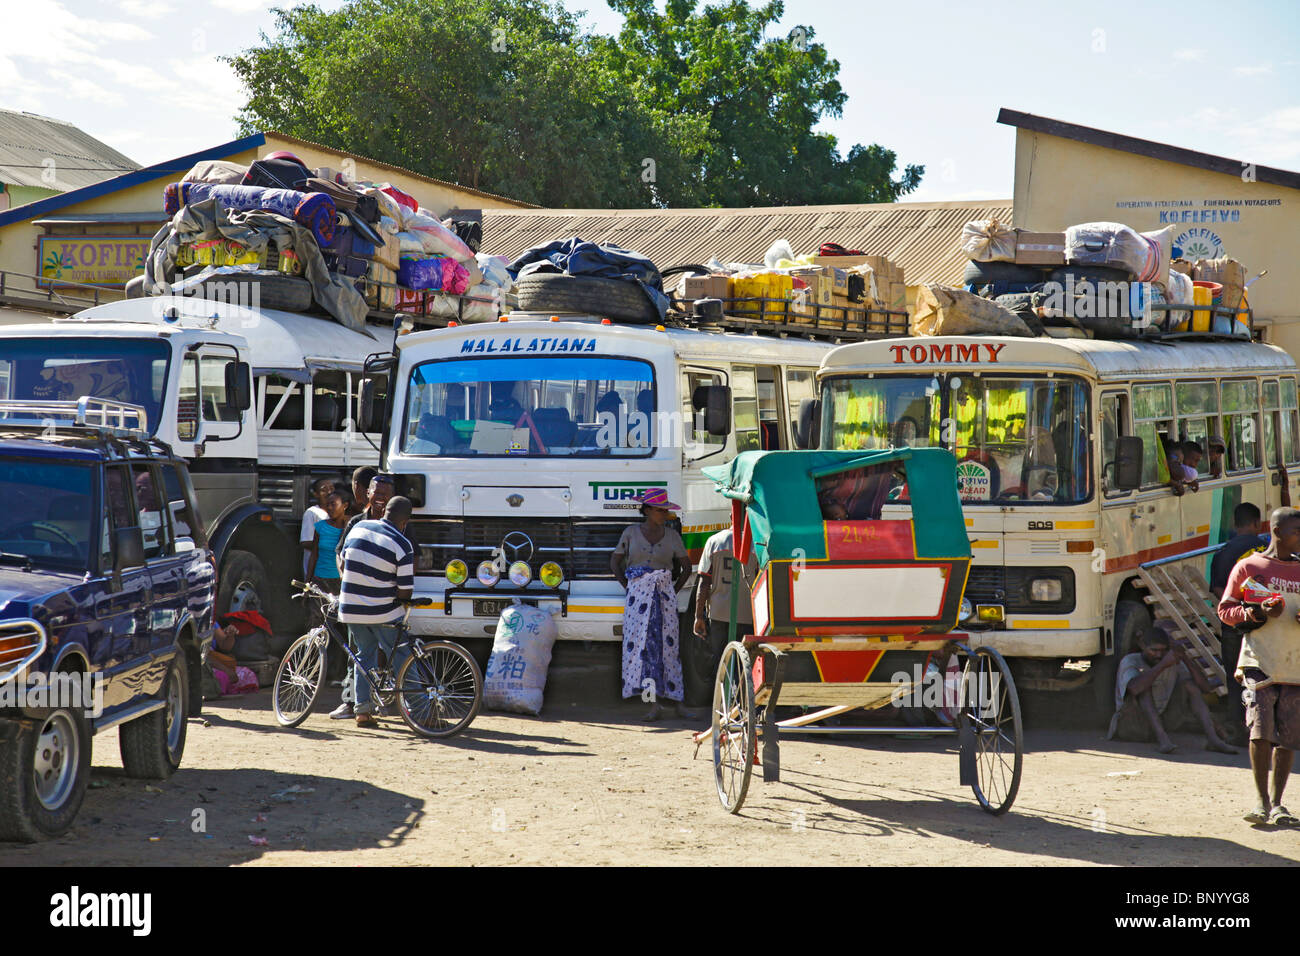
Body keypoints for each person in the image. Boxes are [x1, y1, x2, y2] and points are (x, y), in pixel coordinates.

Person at [1217, 506, 1300, 825]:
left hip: (1294, 663)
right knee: (1260, 731)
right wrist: (1255, 614)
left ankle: (1279, 803)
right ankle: (1261, 802)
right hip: (1258, 661)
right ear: (1277, 532)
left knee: (1288, 737)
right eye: (1296, 531)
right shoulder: (1249, 566)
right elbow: (1226, 610)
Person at [611, 488, 692, 721]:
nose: (664, 514)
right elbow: (615, 561)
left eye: (665, 510)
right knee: (644, 649)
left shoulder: (672, 536)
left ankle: (678, 702)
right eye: (660, 510)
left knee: (670, 649)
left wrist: (672, 591)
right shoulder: (631, 533)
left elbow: (686, 567)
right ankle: (652, 704)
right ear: (647, 510)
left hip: (663, 597)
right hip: (638, 599)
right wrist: (630, 587)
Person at [338, 495, 415, 729]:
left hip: (350, 609)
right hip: (383, 612)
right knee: (403, 654)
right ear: (405, 522)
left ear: (384, 513)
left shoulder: (359, 527)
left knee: (363, 655)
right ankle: (418, 709)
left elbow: (342, 562)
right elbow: (405, 592)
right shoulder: (402, 544)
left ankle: (362, 711)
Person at [1107, 624, 1236, 755]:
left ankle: (1213, 739)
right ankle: (1162, 739)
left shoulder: (1168, 660)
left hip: (1163, 719)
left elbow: (1205, 688)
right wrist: (1162, 665)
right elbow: (1134, 689)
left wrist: (1184, 657)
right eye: (1154, 650)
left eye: (1163, 650)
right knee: (1143, 689)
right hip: (1131, 725)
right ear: (1143, 647)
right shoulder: (1131, 660)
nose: (1159, 655)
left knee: (1190, 685)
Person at [329, 472, 396, 720]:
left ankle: (391, 703)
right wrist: (345, 575)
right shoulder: (355, 522)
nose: (380, 500)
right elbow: (340, 554)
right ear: (366, 494)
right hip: (357, 600)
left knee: (389, 652)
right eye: (376, 494)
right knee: (358, 653)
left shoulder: (399, 523)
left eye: (385, 496)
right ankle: (354, 703)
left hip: (385, 603)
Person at [693, 527, 755, 690]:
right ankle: (741, 704)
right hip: (748, 614)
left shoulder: (714, 541)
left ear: (731, 515)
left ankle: (722, 703)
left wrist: (699, 616)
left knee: (722, 661)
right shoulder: (757, 543)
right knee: (745, 665)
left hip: (719, 613)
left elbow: (704, 582)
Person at [306, 491, 348, 629]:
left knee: (339, 623)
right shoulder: (320, 527)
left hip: (340, 582)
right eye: (327, 504)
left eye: (333, 504)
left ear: (345, 506)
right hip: (320, 580)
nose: (329, 508)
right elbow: (314, 554)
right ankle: (315, 650)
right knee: (316, 622)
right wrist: (308, 582)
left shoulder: (349, 527)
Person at [299, 477, 337, 577]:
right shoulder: (312, 513)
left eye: (332, 488)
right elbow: (305, 542)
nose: (329, 492)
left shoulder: (338, 513)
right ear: (316, 494)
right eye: (324, 490)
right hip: (316, 570)